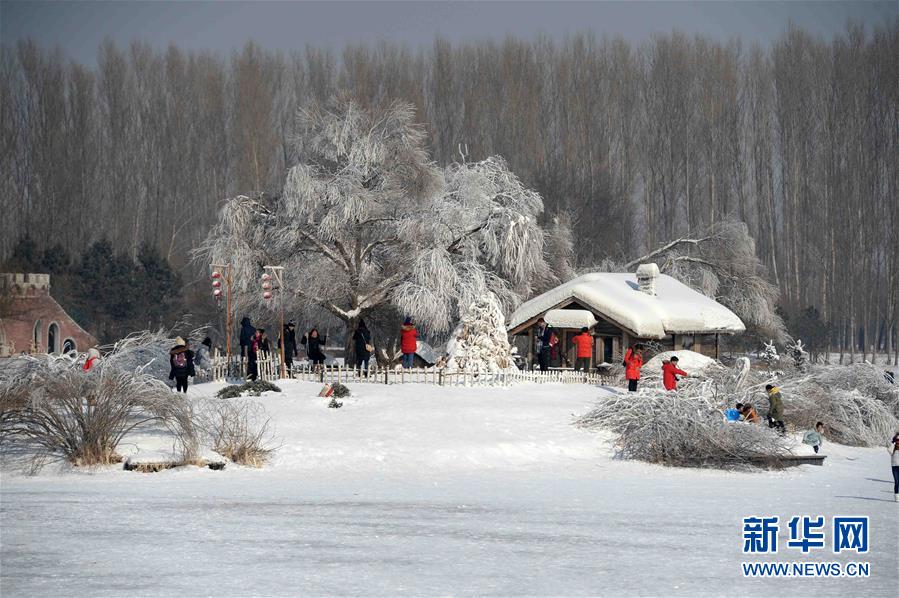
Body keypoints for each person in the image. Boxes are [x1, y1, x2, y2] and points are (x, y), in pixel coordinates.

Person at [890, 432, 899, 502]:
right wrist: (893, 443)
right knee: (896, 482)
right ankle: (897, 496)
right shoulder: (893, 449)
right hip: (894, 466)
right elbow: (889, 450)